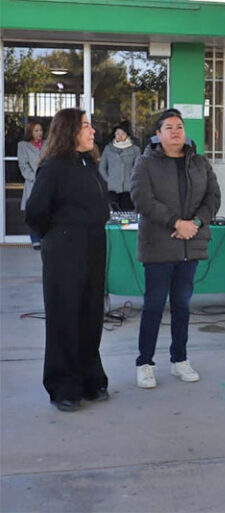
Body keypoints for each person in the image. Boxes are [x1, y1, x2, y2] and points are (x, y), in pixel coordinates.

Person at [24, 108, 110, 412]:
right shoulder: (54, 167)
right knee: (65, 316)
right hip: (64, 249)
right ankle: (64, 386)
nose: (92, 131)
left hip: (94, 246)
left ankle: (89, 378)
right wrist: (59, 236)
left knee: (90, 315)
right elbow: (35, 212)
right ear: (70, 131)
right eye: (86, 126)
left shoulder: (89, 164)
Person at [130, 109, 221, 388]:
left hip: (189, 245)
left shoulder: (199, 163)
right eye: (168, 127)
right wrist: (176, 222)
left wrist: (195, 222)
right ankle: (145, 363)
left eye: (179, 126)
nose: (175, 132)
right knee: (154, 305)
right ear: (158, 135)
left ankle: (179, 359)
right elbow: (142, 198)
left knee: (182, 305)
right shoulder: (145, 163)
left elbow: (213, 196)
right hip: (160, 245)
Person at [99, 125, 141, 210]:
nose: (120, 136)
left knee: (128, 215)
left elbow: (139, 168)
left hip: (129, 188)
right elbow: (102, 167)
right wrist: (109, 180)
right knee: (113, 215)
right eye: (117, 133)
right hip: (112, 189)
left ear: (127, 135)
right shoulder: (108, 149)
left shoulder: (135, 150)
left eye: (123, 133)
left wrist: (133, 180)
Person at [18, 120, 45, 249]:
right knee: (33, 211)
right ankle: (35, 239)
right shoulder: (23, 146)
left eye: (40, 130)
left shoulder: (47, 145)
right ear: (30, 132)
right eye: (36, 130)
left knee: (46, 211)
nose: (39, 133)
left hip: (46, 182)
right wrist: (35, 177)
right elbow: (23, 166)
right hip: (32, 183)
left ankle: (44, 237)